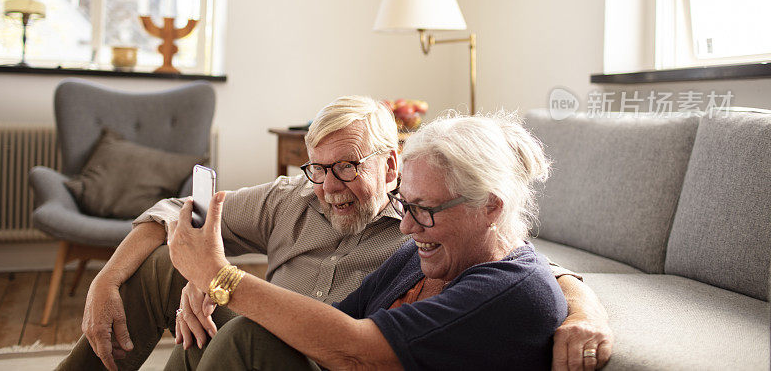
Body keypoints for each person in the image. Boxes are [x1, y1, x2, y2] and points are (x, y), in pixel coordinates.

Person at [58, 97, 612, 371]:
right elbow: (176, 209)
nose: (410, 224)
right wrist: (126, 281)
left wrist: (222, 279)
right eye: (317, 169)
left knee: (240, 337)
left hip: (334, 357)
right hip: (306, 344)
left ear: (390, 168)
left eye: (347, 167)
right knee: (202, 314)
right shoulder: (422, 249)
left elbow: (536, 271)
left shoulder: (469, 264)